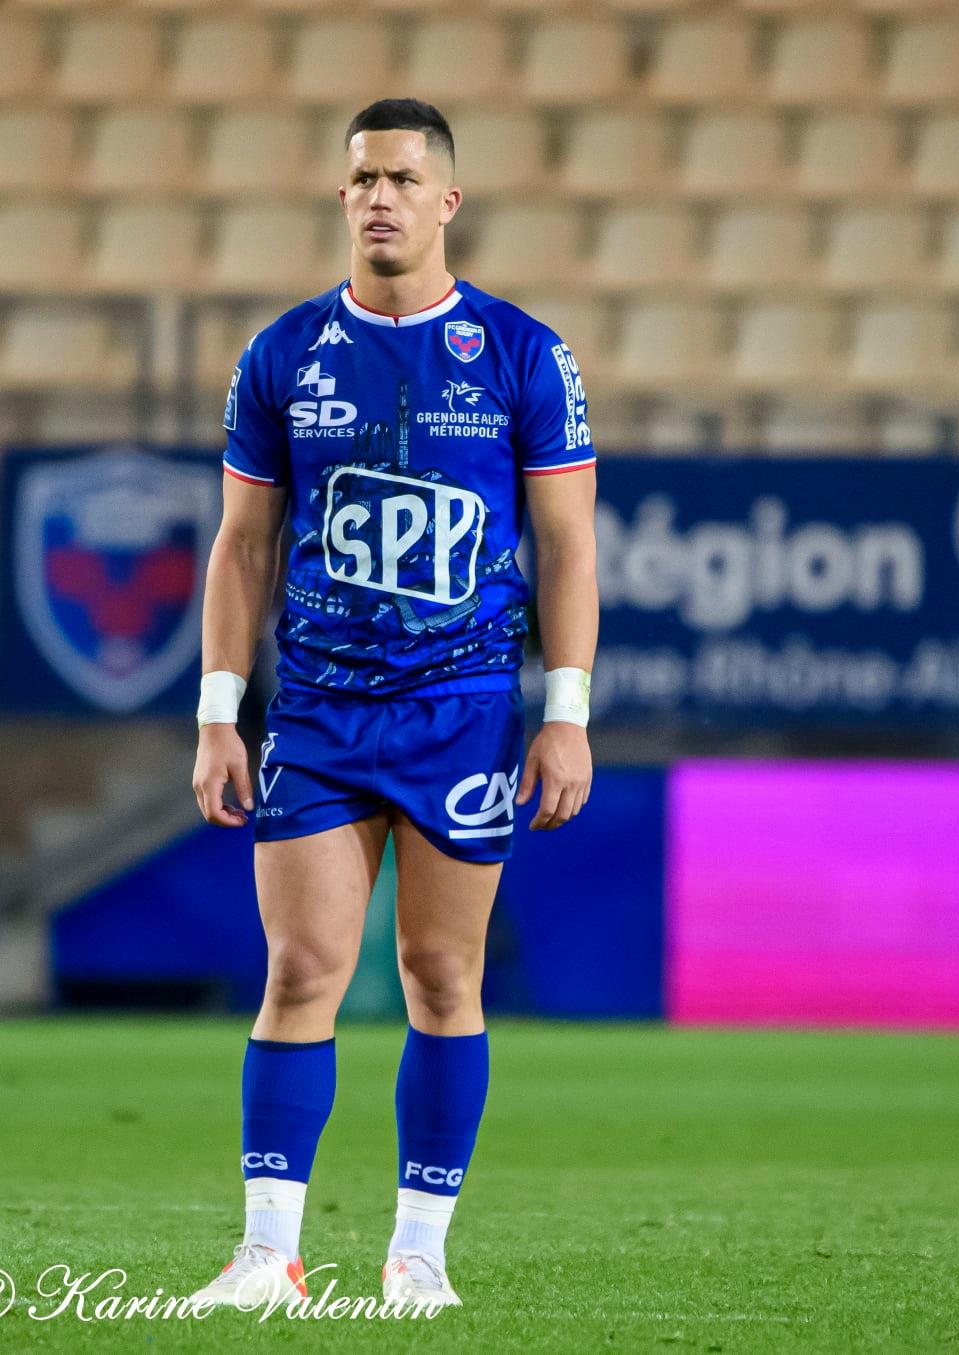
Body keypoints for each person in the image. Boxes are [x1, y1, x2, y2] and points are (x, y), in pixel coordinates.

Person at [187, 98, 600, 1312]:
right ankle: (269, 1253)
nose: (380, 196)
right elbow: (241, 544)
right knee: (302, 965)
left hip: (461, 707)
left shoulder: (525, 354)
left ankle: (417, 1254)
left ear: (446, 202)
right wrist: (222, 709)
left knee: (437, 971)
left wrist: (564, 709)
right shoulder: (281, 354)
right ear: (342, 195)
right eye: (362, 176)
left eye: (403, 178)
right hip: (315, 710)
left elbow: (568, 545)